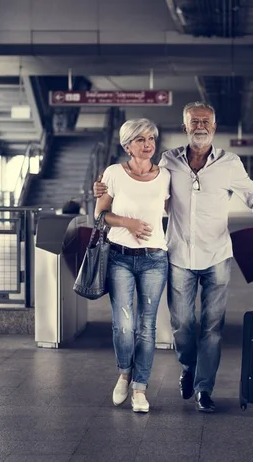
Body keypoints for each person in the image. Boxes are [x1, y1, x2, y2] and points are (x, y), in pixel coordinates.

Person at [94, 101, 253, 413]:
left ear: (214, 126)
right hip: (178, 256)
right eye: (194, 121)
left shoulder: (230, 163)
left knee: (212, 327)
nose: (200, 125)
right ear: (185, 127)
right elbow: (138, 179)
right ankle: (189, 366)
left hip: (217, 255)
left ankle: (204, 388)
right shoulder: (169, 161)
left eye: (206, 121)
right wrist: (104, 187)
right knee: (182, 324)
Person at [94, 118, 171, 413]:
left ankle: (140, 387)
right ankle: (124, 372)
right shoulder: (114, 173)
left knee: (146, 327)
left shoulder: (165, 175)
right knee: (124, 325)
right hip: (120, 257)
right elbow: (100, 214)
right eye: (140, 139)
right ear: (127, 145)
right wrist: (128, 222)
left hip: (154, 258)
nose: (148, 143)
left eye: (151, 137)